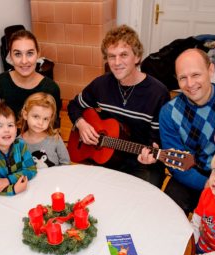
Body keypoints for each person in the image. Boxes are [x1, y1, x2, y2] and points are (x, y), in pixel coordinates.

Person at [67, 25, 170, 188]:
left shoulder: (158, 93)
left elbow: (157, 139)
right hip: (107, 157)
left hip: (141, 161)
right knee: (89, 191)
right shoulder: (101, 84)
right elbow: (74, 106)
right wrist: (81, 124)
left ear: (137, 57)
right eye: (111, 56)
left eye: (123, 55)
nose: (116, 63)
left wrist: (153, 152)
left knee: (145, 197)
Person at [159, 48, 215, 214]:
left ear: (211, 70)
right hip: (194, 174)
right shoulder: (169, 113)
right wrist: (208, 184)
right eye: (183, 78)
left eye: (196, 75)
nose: (190, 84)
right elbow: (176, 164)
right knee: (167, 211)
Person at [0, 29, 62, 127]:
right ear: (10, 56)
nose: (24, 61)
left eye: (30, 53)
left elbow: (53, 126)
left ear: (38, 54)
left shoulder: (51, 89)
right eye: (18, 54)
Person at [0, 101, 37, 195]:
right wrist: (13, 189)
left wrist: (9, 180)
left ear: (15, 129)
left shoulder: (20, 145)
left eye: (10, 125)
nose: (6, 130)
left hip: (23, 193)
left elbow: (31, 169)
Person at [19, 92, 70, 168]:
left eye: (45, 119)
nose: (40, 123)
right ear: (25, 115)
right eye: (36, 116)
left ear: (50, 119)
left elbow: (65, 163)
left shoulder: (55, 138)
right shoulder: (18, 142)